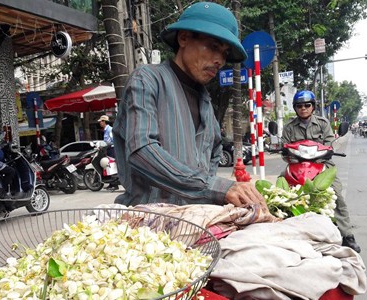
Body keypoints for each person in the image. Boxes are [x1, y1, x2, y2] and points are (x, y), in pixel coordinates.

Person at [112, 2, 266, 209]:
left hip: (196, 219)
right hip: (147, 222)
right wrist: (214, 186)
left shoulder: (205, 101)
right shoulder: (147, 80)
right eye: (213, 47)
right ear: (183, 38)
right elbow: (142, 150)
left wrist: (212, 193)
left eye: (225, 53)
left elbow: (215, 151)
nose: (219, 60)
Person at [281, 90, 361, 253]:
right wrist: (291, 157)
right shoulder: (289, 127)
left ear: (313, 106)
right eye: (299, 106)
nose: (303, 108)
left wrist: (323, 153)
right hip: (297, 165)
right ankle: (279, 231)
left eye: (307, 105)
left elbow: (330, 144)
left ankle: (347, 235)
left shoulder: (323, 124)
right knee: (278, 191)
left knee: (337, 194)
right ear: (295, 108)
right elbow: (285, 148)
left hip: (322, 164)